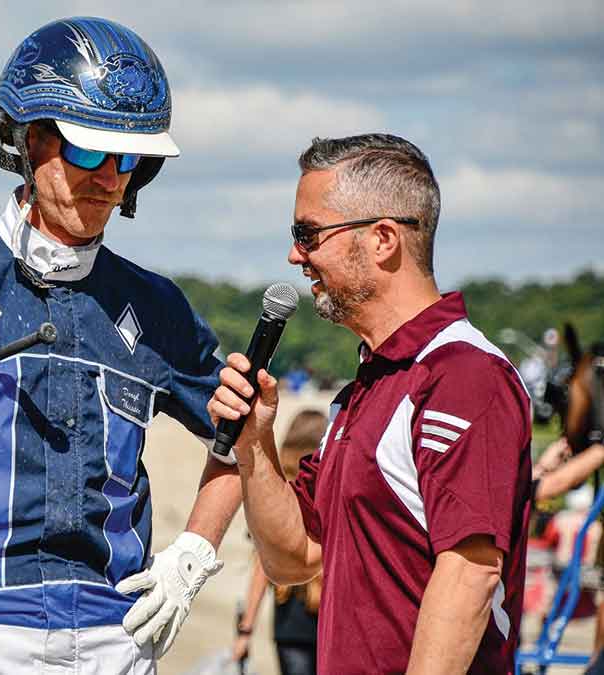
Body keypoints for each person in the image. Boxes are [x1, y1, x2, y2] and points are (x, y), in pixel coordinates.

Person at [0, 17, 241, 675]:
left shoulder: (157, 306)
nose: (109, 178)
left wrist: (194, 553)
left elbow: (246, 434)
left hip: (120, 637)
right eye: (88, 152)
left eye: (128, 159)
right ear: (27, 140)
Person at [209, 134, 532, 673]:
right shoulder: (361, 390)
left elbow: (470, 574)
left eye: (307, 233)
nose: (295, 255)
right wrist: (254, 443)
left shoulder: (463, 376)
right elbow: (294, 557)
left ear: (383, 238)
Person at [232, 410, 326, 675]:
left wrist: (245, 629)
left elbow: (261, 567)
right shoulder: (327, 493)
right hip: (333, 626)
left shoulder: (279, 499)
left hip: (290, 628)